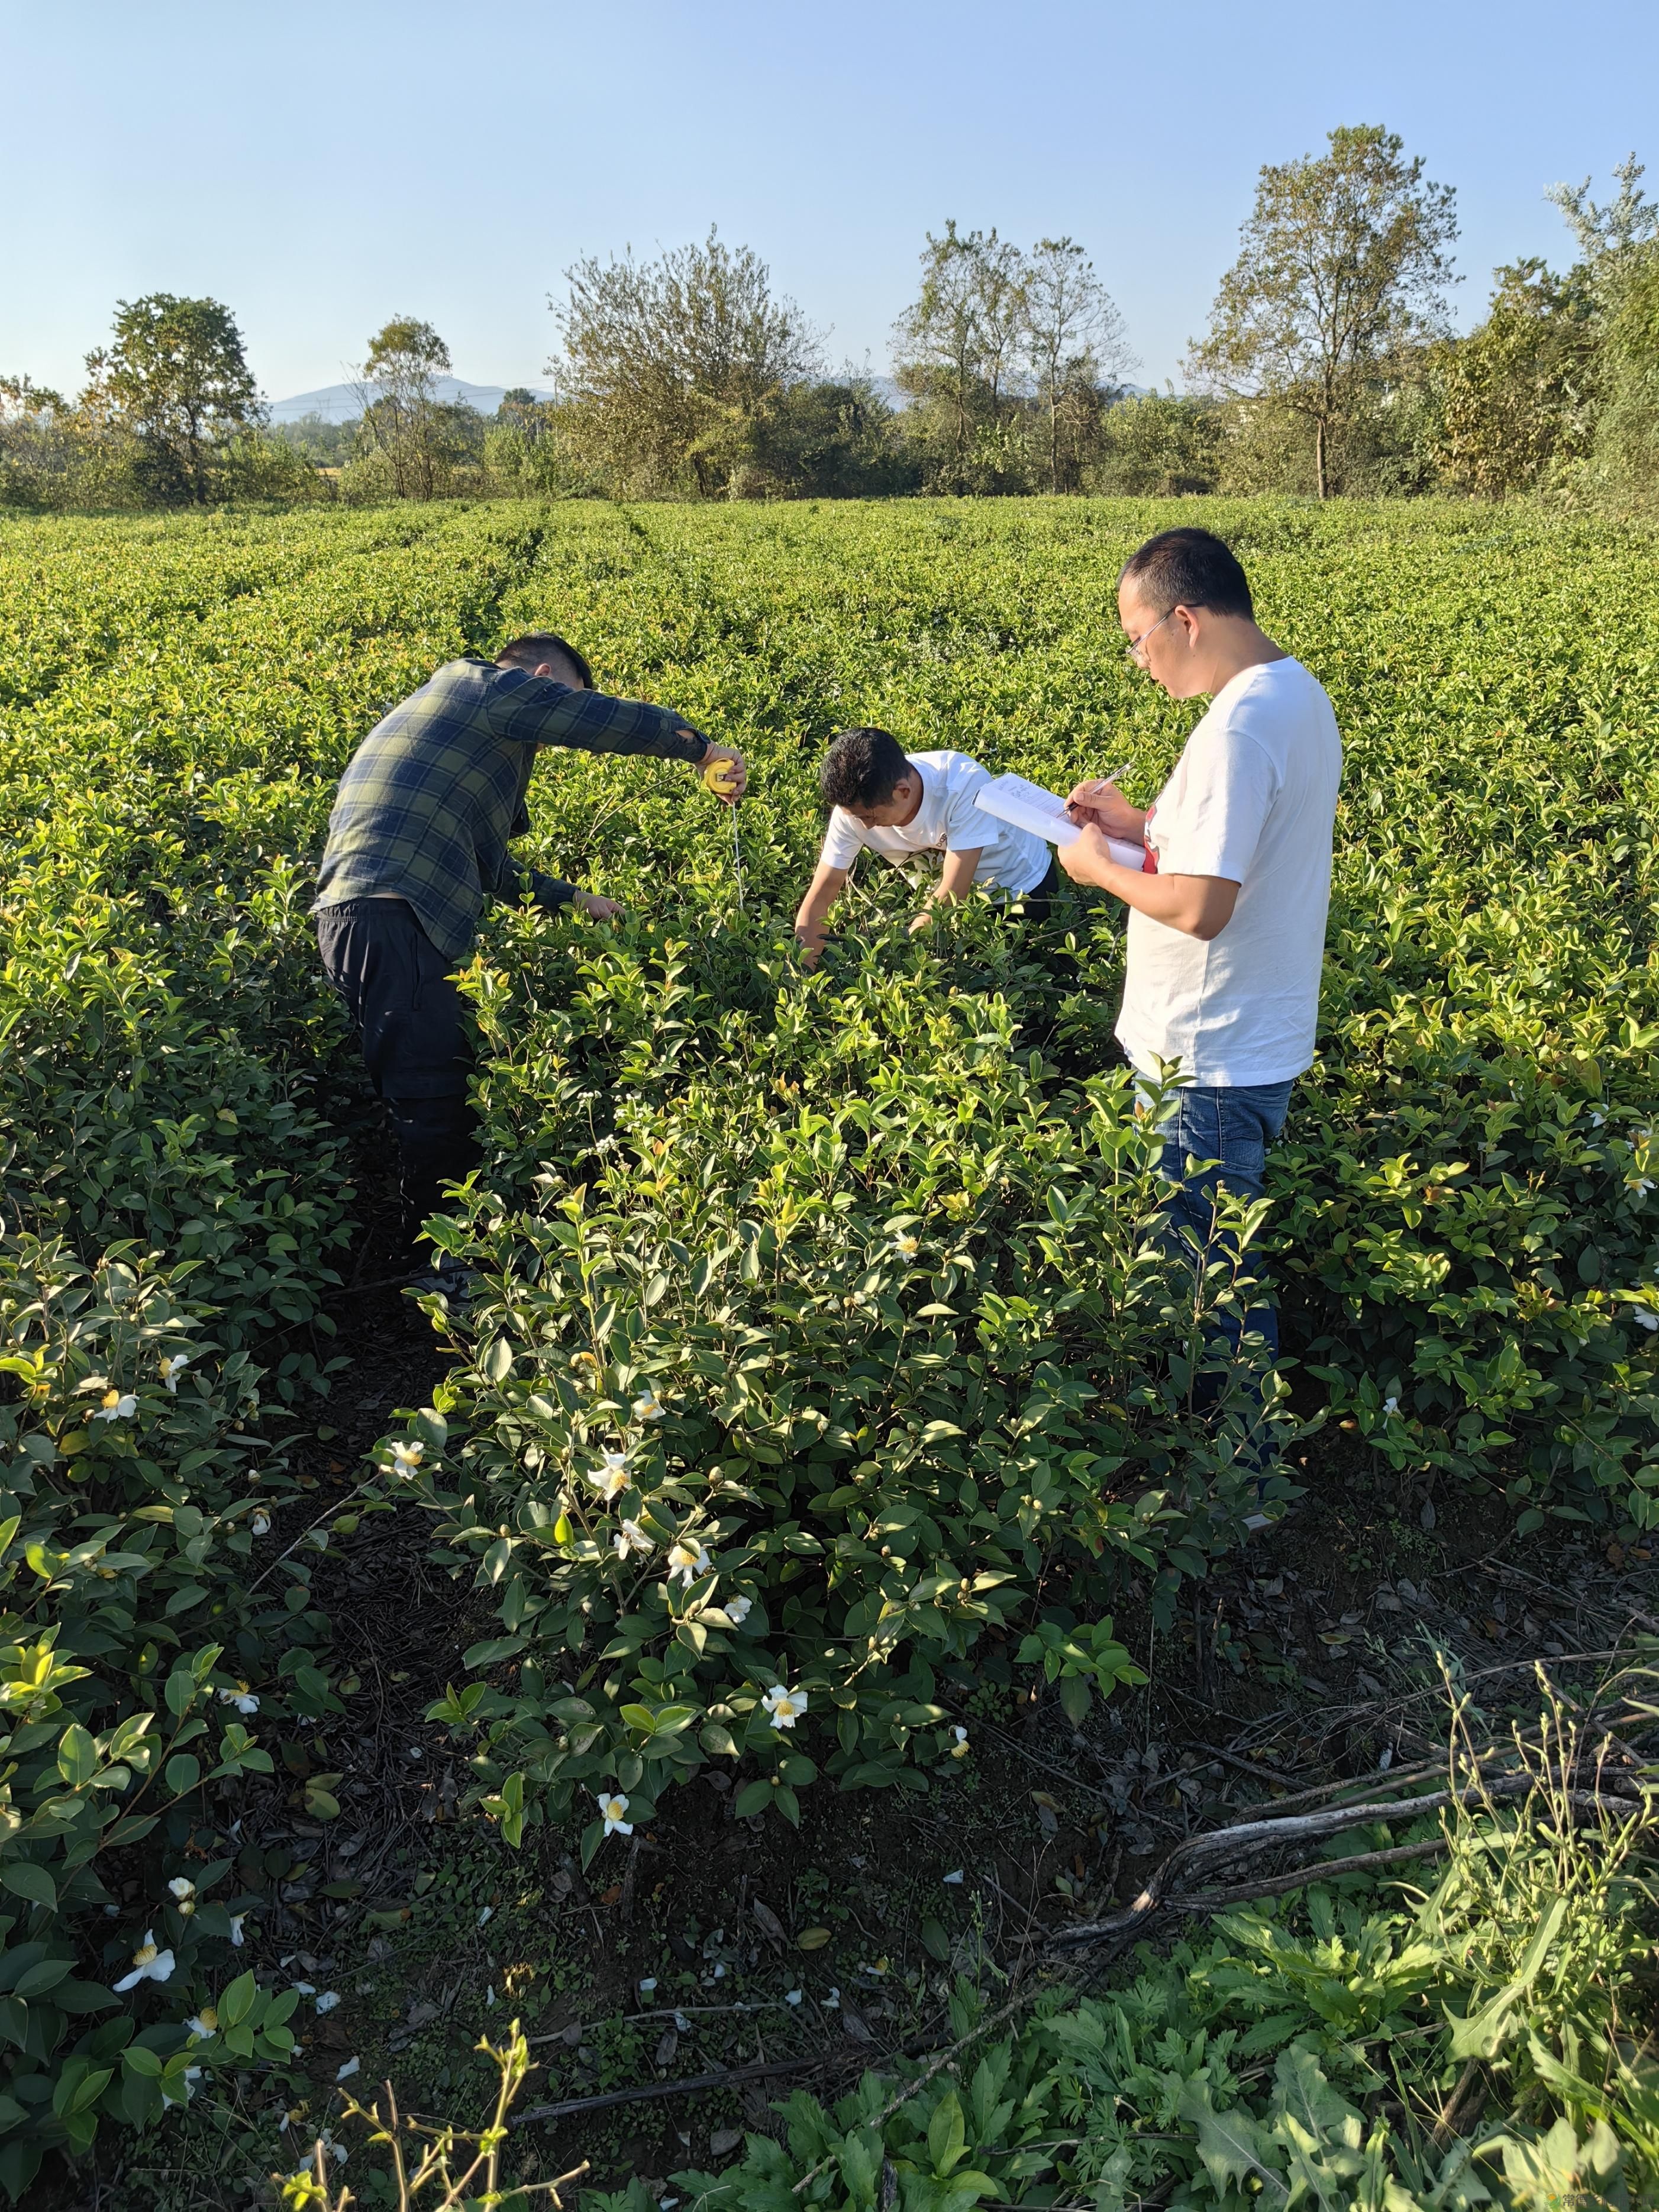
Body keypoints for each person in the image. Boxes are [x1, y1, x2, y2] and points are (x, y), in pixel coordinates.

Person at [314, 631, 745, 1280]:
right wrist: (699, 749)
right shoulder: (478, 687)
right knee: (432, 1100)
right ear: (540, 678)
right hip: (392, 911)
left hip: (372, 914)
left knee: (429, 1088)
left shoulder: (459, 728)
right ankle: (439, 1273)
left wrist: (574, 899)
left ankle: (436, 1261)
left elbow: (490, 870)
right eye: (560, 698)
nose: (550, 733)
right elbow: (598, 719)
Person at [1057, 527, 1341, 1385]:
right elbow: (1232, 848)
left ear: (1183, 619)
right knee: (1207, 1256)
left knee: (1212, 1280)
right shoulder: (1293, 692)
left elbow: (1201, 905)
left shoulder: (1237, 729)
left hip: (1207, 1056)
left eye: (1137, 640)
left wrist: (1098, 870)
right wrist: (1138, 827)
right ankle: (1226, 1462)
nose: (1139, 662)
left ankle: (1239, 1488)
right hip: (1242, 1036)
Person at [793, 726, 1054, 962]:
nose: (866, 827)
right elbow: (823, 893)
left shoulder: (963, 785)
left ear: (903, 791)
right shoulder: (854, 813)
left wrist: (898, 960)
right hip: (943, 900)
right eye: (858, 818)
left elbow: (952, 894)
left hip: (1020, 887)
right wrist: (801, 975)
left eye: (871, 817)